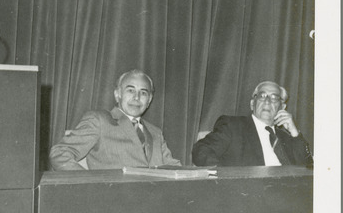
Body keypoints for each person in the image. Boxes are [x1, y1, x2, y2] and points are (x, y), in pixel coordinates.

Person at [49, 69, 182, 170]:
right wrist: (90, 183)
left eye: (143, 92)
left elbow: (173, 167)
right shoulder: (99, 120)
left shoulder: (155, 132)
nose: (137, 97)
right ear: (117, 94)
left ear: (149, 100)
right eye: (130, 90)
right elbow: (59, 153)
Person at [192, 81, 313, 167]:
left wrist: (295, 133)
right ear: (252, 104)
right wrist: (229, 179)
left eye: (274, 97)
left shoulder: (287, 137)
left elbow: (308, 168)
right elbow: (201, 150)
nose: (267, 101)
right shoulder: (233, 127)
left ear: (282, 107)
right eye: (262, 96)